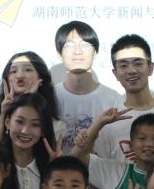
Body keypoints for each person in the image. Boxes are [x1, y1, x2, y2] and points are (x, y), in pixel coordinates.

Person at [71, 109, 154, 189]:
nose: (149, 144)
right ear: (131, 145)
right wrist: (99, 123)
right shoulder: (113, 172)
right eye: (142, 138)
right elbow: (76, 159)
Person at [52, 21, 121, 152]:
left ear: (95, 52)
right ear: (59, 53)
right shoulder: (51, 96)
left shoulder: (113, 99)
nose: (77, 52)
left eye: (85, 45)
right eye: (69, 46)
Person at [0, 52, 65, 145]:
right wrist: (3, 115)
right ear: (7, 79)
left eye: (28, 70)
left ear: (41, 78)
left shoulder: (55, 124)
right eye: (13, 71)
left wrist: (28, 101)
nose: (20, 75)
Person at [1, 93, 59, 189]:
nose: (25, 131)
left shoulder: (50, 165)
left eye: (35, 124)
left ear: (43, 129)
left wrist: (56, 170)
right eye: (19, 122)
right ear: (7, 122)